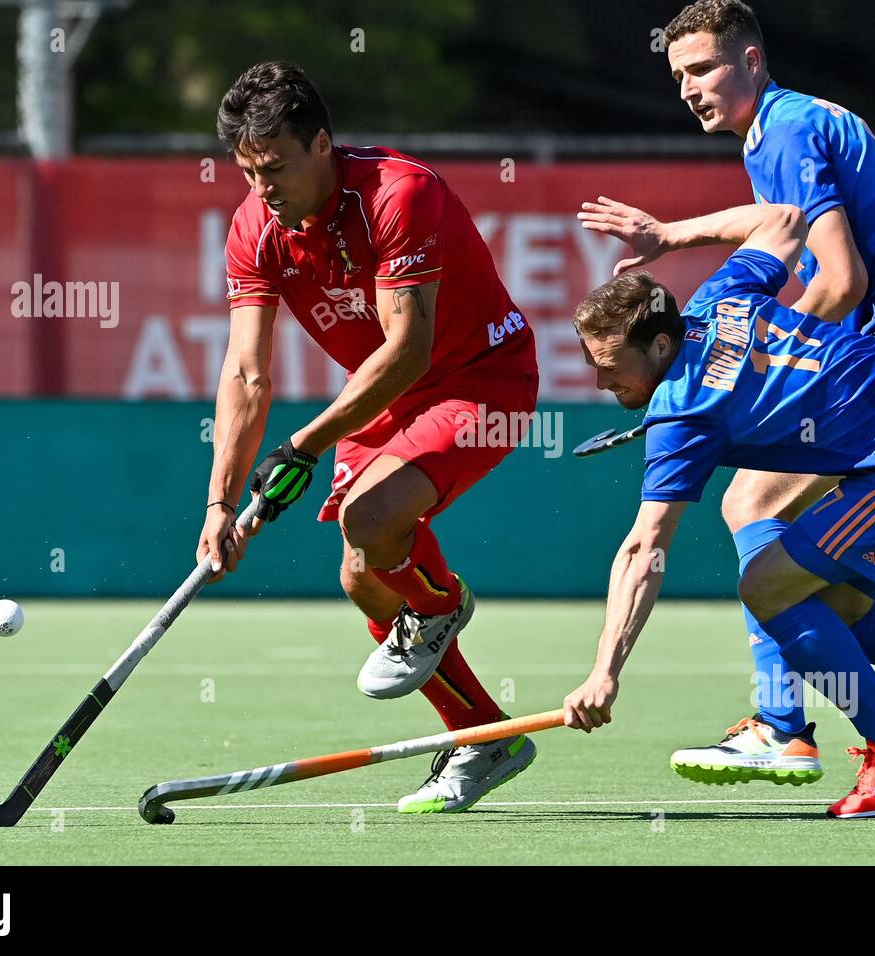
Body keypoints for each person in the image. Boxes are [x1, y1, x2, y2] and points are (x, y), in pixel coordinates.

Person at [575, 0, 875, 800]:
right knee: (861, 558)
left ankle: (784, 726)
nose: (688, 90)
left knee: (751, 508)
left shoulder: (781, 132)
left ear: (750, 60)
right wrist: (670, 237)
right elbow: (780, 224)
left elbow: (841, 282)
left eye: (702, 69)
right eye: (677, 77)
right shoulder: (785, 123)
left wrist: (743, 368)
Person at [560, 202, 875, 818]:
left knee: (767, 586)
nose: (597, 381)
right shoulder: (721, 296)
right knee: (830, 615)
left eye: (608, 365)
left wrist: (603, 671)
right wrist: (673, 235)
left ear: (661, 343)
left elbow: (646, 548)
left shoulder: (682, 413)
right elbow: (781, 220)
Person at [199, 61, 539, 812]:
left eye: (277, 167)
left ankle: (441, 602)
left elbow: (408, 347)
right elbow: (247, 374)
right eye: (249, 171)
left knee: (373, 521)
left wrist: (306, 446)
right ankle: (487, 737)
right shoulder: (255, 228)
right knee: (363, 575)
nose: (264, 187)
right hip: (387, 400)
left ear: (323, 144)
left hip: (482, 378)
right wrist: (221, 503)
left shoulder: (398, 194)